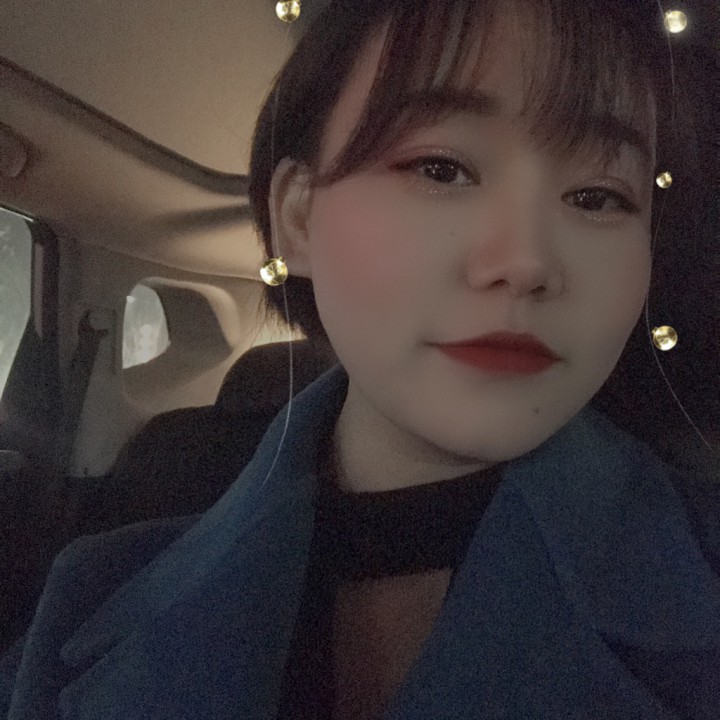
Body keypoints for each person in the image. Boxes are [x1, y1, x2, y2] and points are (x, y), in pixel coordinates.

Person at [2, 0, 719, 718]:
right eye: (441, 168)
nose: (526, 262)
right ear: (298, 216)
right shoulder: (84, 599)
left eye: (598, 197)